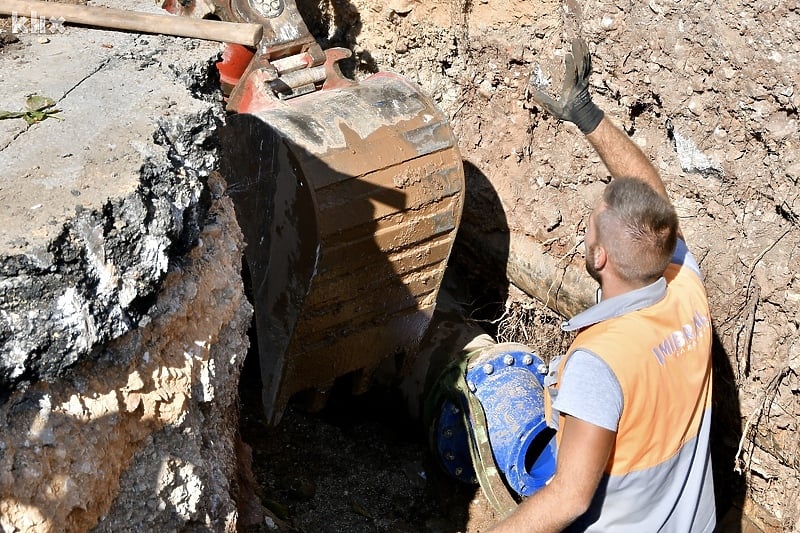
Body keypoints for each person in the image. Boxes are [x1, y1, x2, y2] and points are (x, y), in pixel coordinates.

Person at [489, 39, 716, 532]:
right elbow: (654, 206)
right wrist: (585, 114)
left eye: (592, 225)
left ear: (599, 256)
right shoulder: (682, 286)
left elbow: (568, 500)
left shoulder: (600, 363)